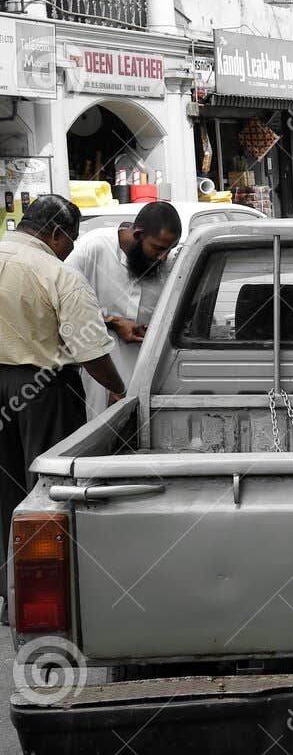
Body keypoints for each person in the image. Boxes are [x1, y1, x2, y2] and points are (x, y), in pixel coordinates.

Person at [0, 196, 126, 590]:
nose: (71, 247)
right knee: (47, 490)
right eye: (70, 239)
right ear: (57, 234)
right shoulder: (57, 274)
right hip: (42, 389)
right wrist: (119, 388)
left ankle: (9, 589)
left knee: (5, 488)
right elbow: (89, 350)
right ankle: (40, 587)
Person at [71, 201, 183, 415]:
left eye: (170, 250)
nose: (163, 257)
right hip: (99, 372)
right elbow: (63, 303)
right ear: (138, 234)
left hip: (150, 374)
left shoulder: (167, 264)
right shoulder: (94, 247)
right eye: (159, 248)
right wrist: (113, 323)